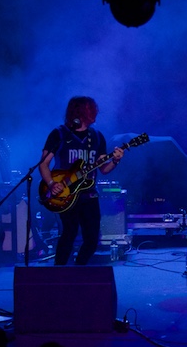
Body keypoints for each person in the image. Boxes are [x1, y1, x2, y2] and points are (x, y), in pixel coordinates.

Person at [39, 96, 124, 266]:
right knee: (69, 234)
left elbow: (104, 169)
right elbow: (43, 163)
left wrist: (115, 160)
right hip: (66, 194)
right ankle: (60, 273)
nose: (95, 112)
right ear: (78, 111)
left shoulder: (97, 137)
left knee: (92, 239)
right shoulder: (59, 134)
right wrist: (51, 184)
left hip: (89, 195)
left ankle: (78, 270)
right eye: (90, 109)